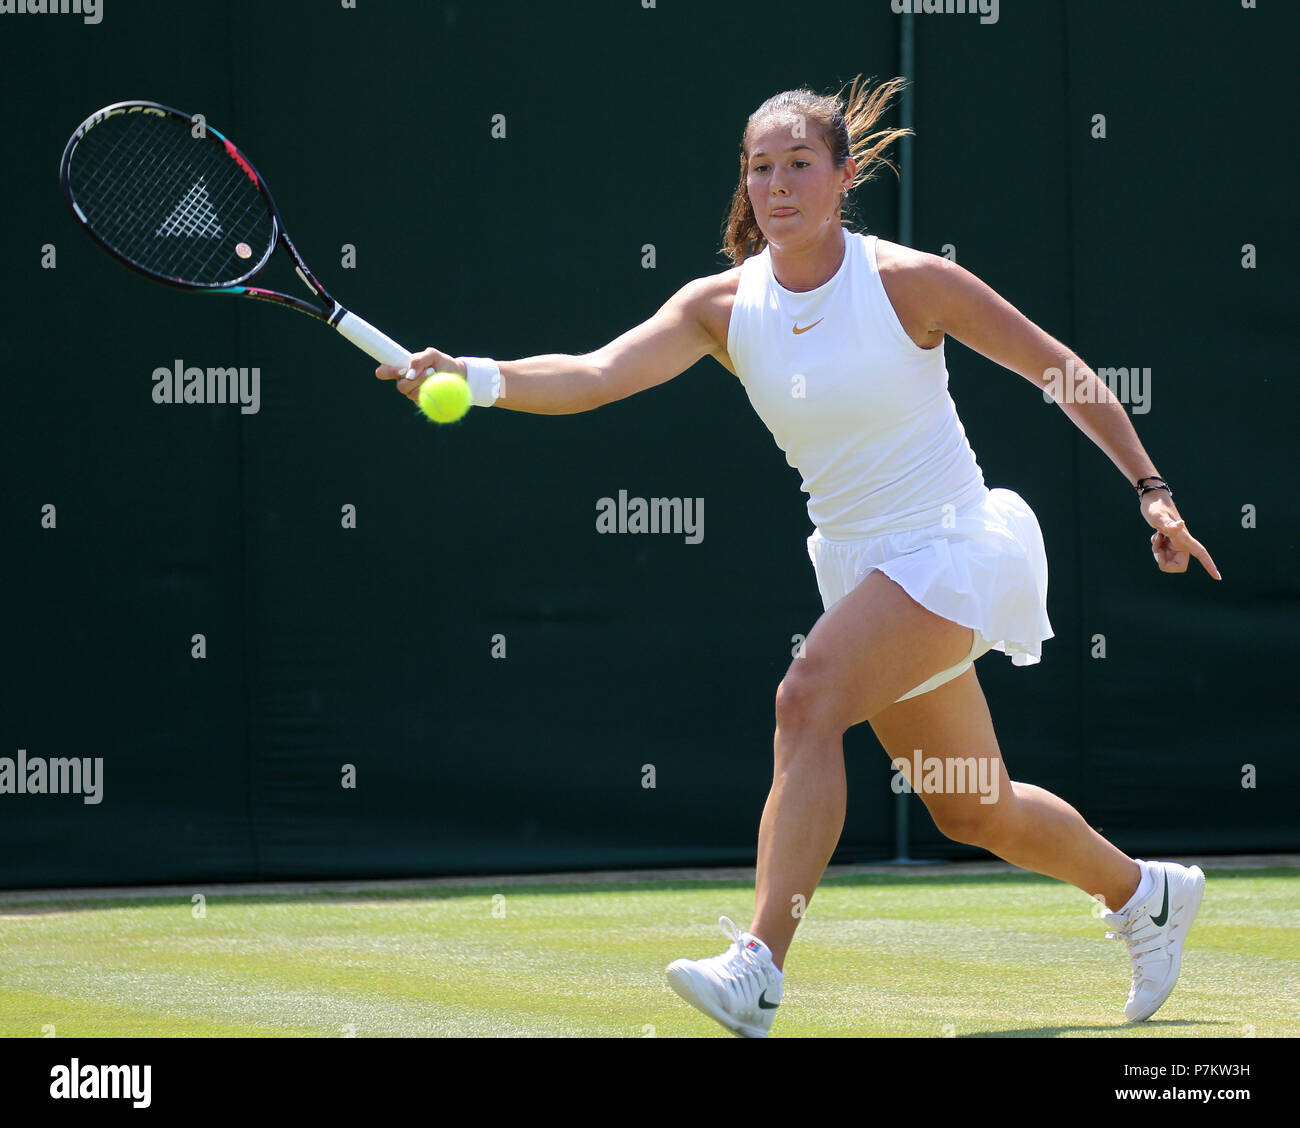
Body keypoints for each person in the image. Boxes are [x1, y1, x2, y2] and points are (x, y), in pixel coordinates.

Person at [377, 76, 1220, 1038]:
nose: (776, 186)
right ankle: (1147, 895)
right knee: (971, 805)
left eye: (798, 165)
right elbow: (595, 375)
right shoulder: (720, 307)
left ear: (844, 175)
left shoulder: (910, 282)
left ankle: (760, 968)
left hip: (950, 544)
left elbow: (1057, 367)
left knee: (805, 696)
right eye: (759, 168)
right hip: (862, 567)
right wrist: (472, 378)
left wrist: (1151, 490)